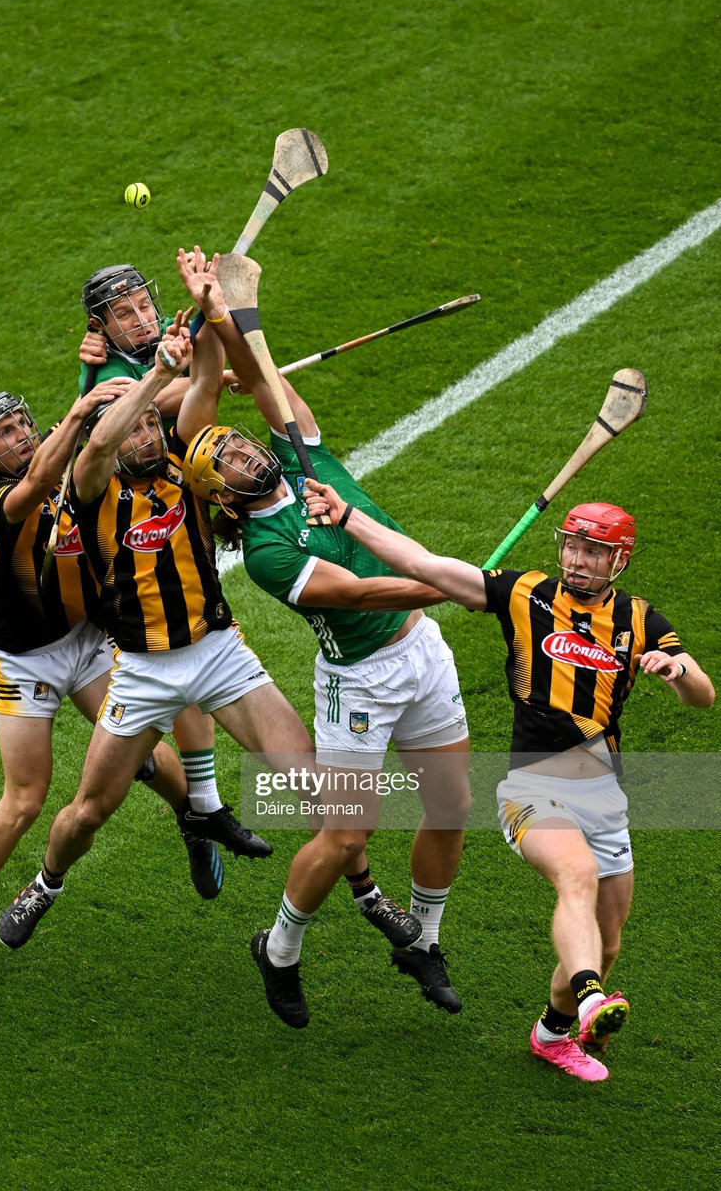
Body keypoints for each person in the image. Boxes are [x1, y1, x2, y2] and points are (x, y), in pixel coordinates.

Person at [0, 302, 419, 974]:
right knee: (89, 810)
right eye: (133, 427)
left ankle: (369, 895)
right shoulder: (90, 484)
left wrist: (206, 322)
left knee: (315, 787)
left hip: (221, 657)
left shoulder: (187, 472)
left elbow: (203, 386)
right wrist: (152, 375)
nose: (144, 435)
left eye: (148, 426)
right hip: (141, 671)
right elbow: (100, 441)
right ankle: (45, 883)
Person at [301, 481, 715, 1079]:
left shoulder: (641, 619)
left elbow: (702, 696)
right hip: (533, 784)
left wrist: (676, 670)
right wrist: (348, 518)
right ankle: (593, 996)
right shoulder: (527, 594)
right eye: (571, 546)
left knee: (609, 932)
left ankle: (554, 1032)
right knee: (577, 876)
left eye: (592, 551)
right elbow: (426, 566)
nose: (576, 559)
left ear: (618, 559)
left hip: (603, 789)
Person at [175, 249, 472, 1028]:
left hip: (422, 654)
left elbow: (269, 387)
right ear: (222, 500)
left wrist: (226, 312)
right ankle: (277, 948)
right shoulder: (271, 556)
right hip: (359, 682)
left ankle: (424, 941)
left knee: (449, 806)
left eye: (239, 443)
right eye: (226, 460)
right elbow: (364, 590)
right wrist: (461, 584)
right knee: (346, 833)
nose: (243, 450)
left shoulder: (303, 456)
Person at [0, 370, 219, 983]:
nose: (20, 437)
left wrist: (198, 379)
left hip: (88, 641)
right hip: (26, 660)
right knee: (26, 798)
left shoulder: (78, 467)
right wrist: (86, 404)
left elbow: (144, 427)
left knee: (141, 753)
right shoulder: (0, 503)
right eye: (5, 434)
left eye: (21, 424)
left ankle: (195, 824)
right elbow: (39, 480)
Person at [78, 263, 233, 842]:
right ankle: (188, 796)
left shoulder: (121, 351)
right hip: (121, 534)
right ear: (101, 326)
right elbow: (146, 407)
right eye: (125, 313)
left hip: (174, 513)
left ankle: (203, 807)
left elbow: (197, 382)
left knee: (184, 641)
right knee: (164, 649)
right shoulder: (106, 373)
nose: (142, 319)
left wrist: (203, 361)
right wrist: (192, 369)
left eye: (146, 306)